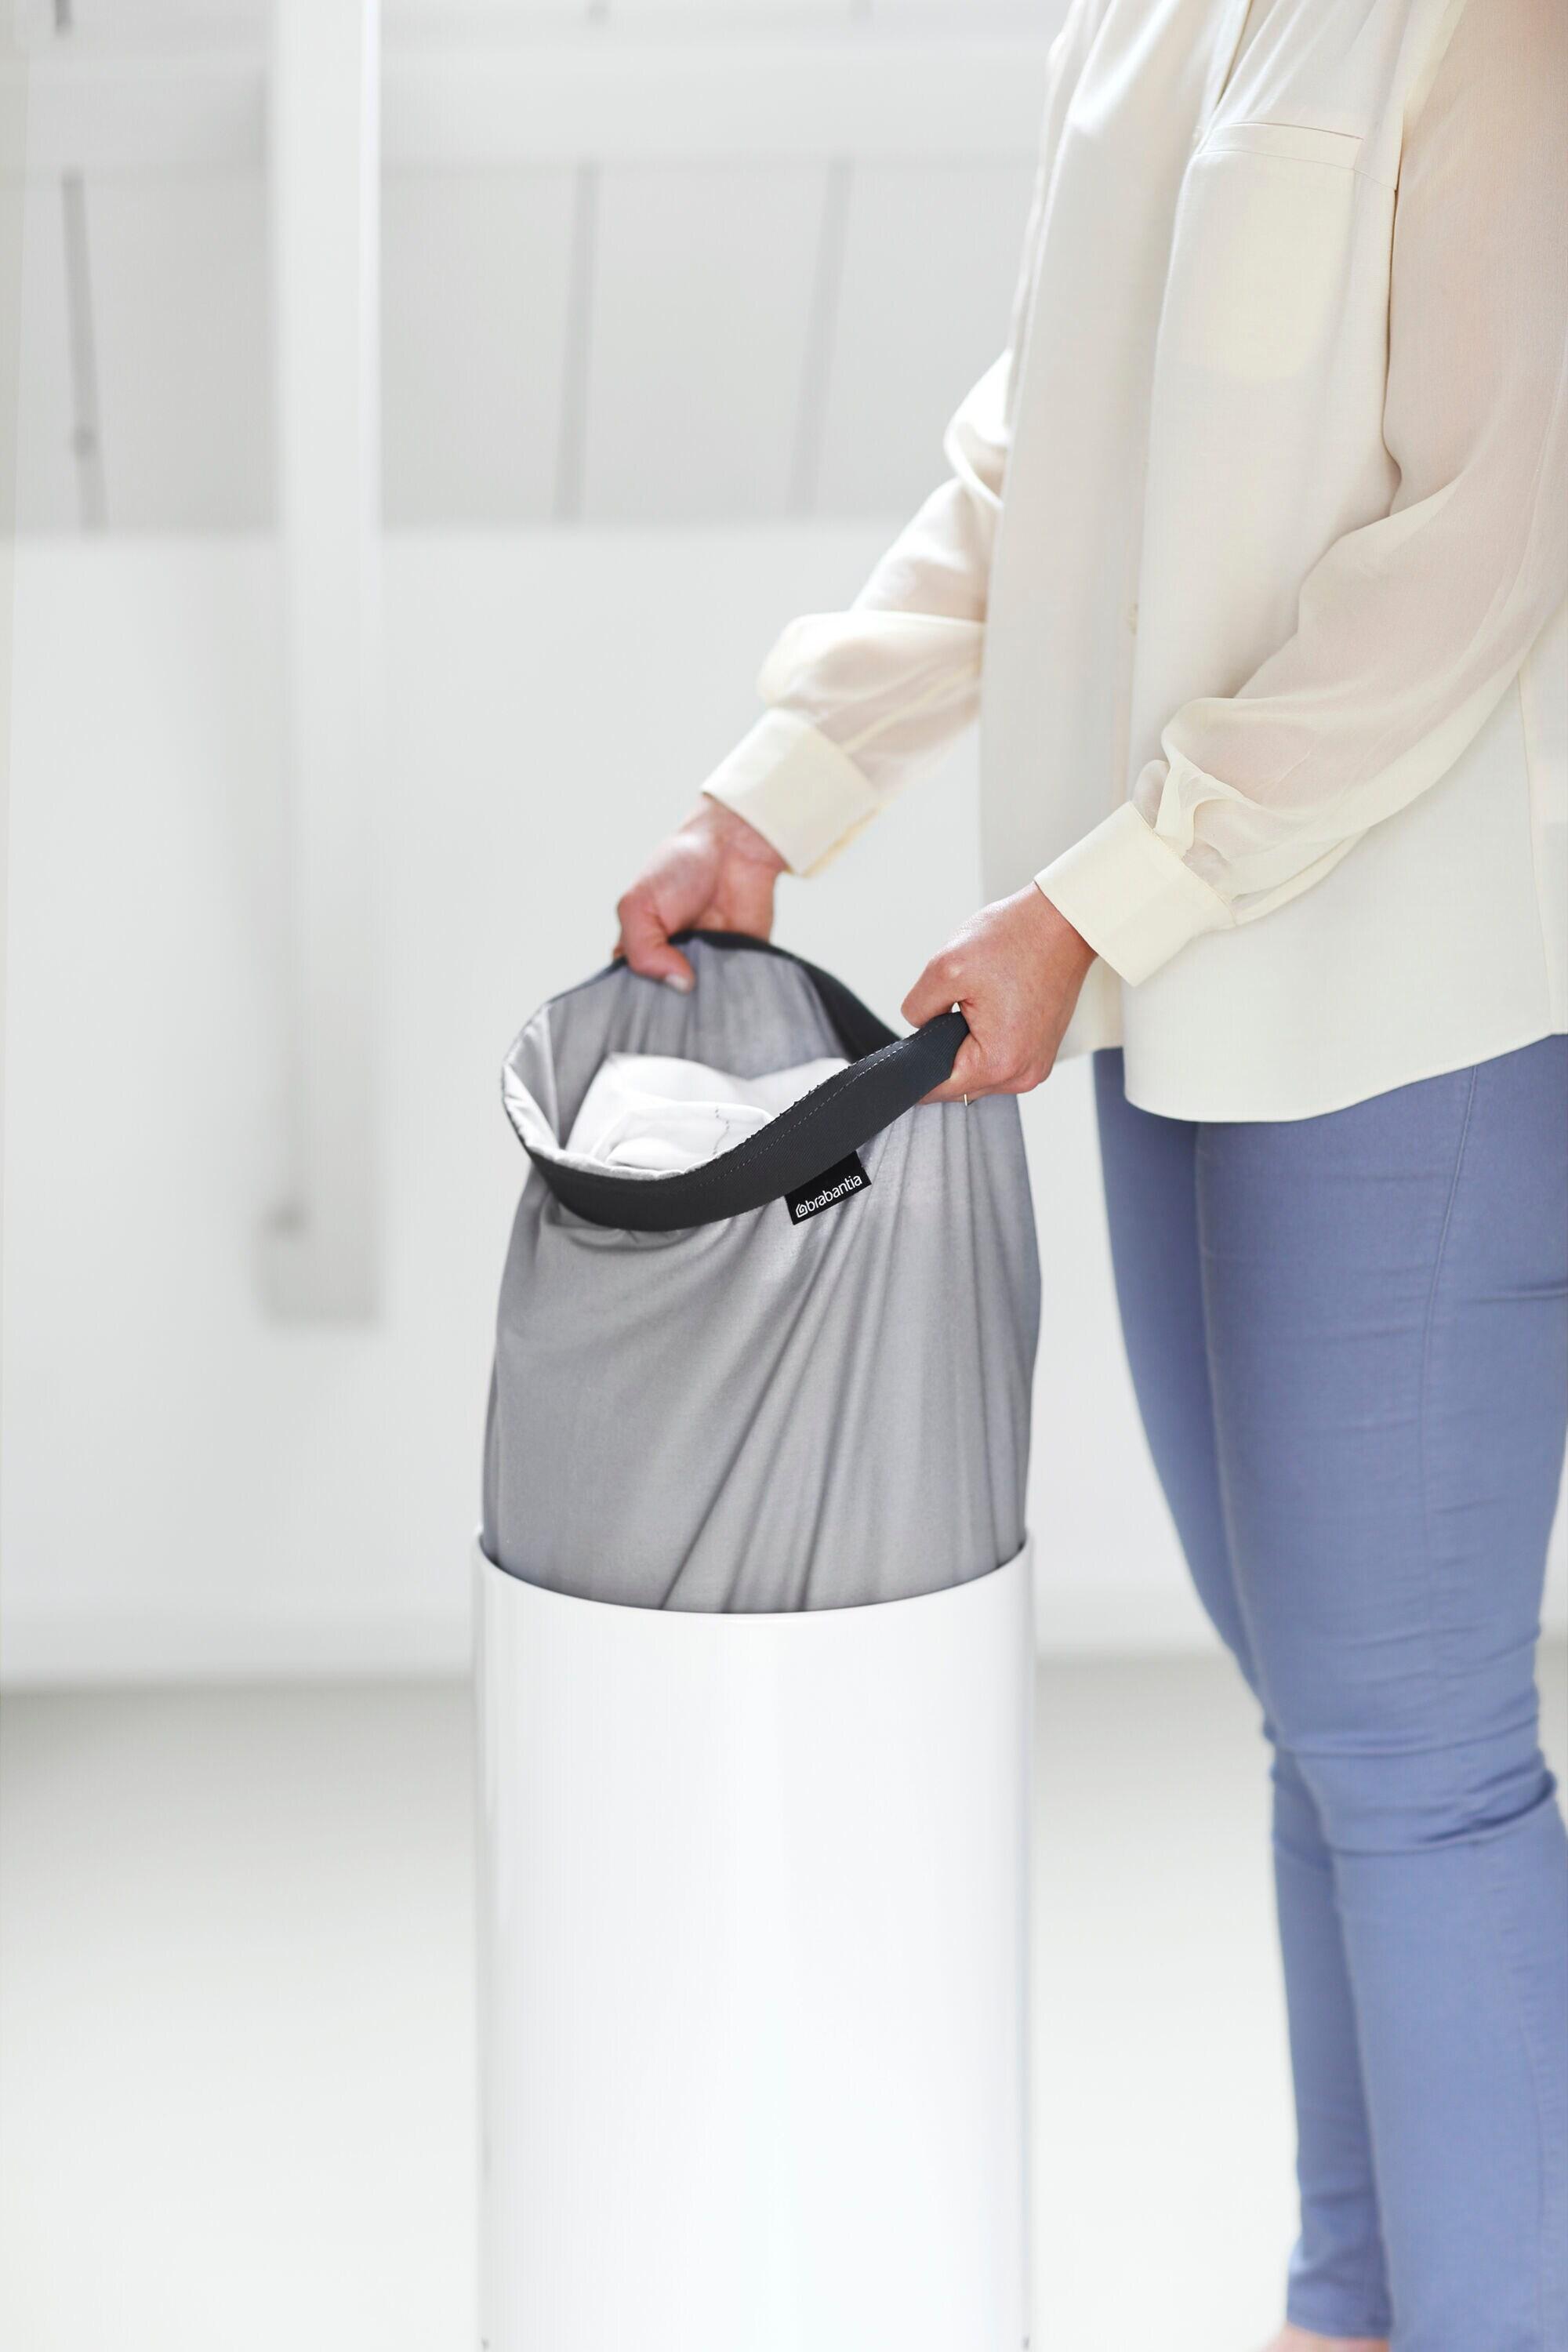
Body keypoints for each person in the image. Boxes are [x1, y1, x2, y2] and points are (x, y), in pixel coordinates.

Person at [613, 1, 1567, 2347]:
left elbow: (1475, 563)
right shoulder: (1142, 18)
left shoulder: (1499, 41)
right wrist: (780, 789)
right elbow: (1040, 463)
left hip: (1404, 994)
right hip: (1168, 984)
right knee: (1326, 1711)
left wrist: (1087, 903)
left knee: (1414, 1750)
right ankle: (1354, 2305)